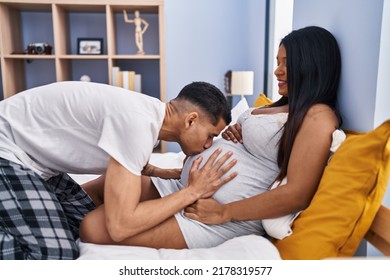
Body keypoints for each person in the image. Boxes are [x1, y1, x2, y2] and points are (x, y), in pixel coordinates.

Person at [80, 26, 343, 249]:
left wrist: (224, 212)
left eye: (287, 63)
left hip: (214, 214)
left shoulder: (318, 116)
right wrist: (232, 134)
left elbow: (297, 193)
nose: (277, 71)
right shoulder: (279, 106)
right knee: (102, 186)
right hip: (185, 188)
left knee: (94, 228)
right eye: (278, 62)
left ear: (312, 65)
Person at [0, 80, 236, 260]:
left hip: (39, 161)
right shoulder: (137, 124)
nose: (208, 145)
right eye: (211, 136)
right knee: (55, 254)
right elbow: (120, 226)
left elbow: (126, 162)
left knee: (85, 222)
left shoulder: (147, 118)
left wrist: (162, 172)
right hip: (8, 151)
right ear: (191, 120)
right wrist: (192, 192)